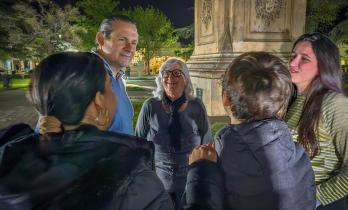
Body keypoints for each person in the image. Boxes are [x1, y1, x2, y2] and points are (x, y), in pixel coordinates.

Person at [0, 52, 223, 210]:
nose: (116, 95)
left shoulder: (9, 156)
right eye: (110, 87)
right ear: (99, 102)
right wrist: (202, 174)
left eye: (176, 74)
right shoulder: (135, 181)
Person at [215, 51, 316, 210]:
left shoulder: (227, 156)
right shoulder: (298, 153)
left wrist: (199, 169)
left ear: (226, 98)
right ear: (281, 104)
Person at [285, 33, 348, 210]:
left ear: (323, 66)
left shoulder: (335, 104)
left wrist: (315, 199)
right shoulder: (297, 99)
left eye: (304, 59)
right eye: (293, 56)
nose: (293, 63)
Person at [34, 15, 136, 135]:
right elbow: (48, 129)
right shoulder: (77, 72)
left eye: (134, 42)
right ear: (101, 39)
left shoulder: (118, 78)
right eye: (122, 39)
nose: (130, 48)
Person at [135, 57, 212, 210]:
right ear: (161, 79)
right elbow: (139, 144)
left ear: (186, 79)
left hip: (190, 179)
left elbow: (206, 142)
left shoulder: (197, 107)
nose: (170, 78)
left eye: (176, 73)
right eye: (166, 73)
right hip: (158, 181)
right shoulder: (150, 106)